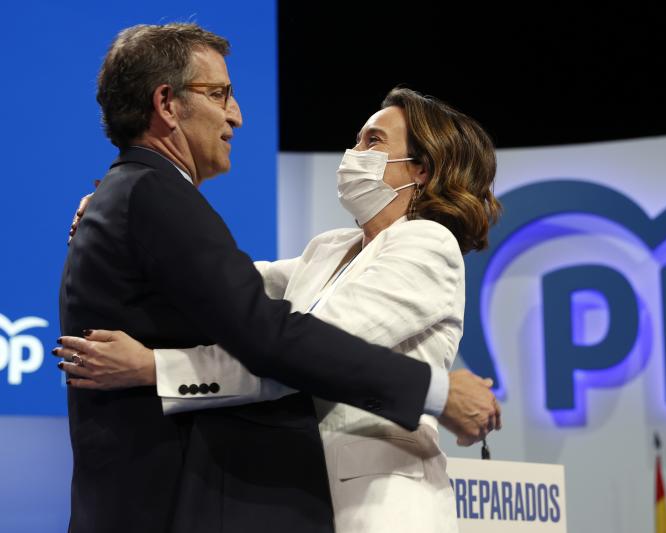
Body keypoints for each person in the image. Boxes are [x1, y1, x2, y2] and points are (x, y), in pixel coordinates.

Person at [57, 23, 499, 533]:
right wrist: (130, 224)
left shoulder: (427, 243)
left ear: (420, 170)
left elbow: (293, 351)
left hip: (378, 506)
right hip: (300, 494)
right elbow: (221, 280)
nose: (353, 152)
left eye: (372, 140)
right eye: (357, 137)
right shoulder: (330, 248)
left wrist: (157, 367)